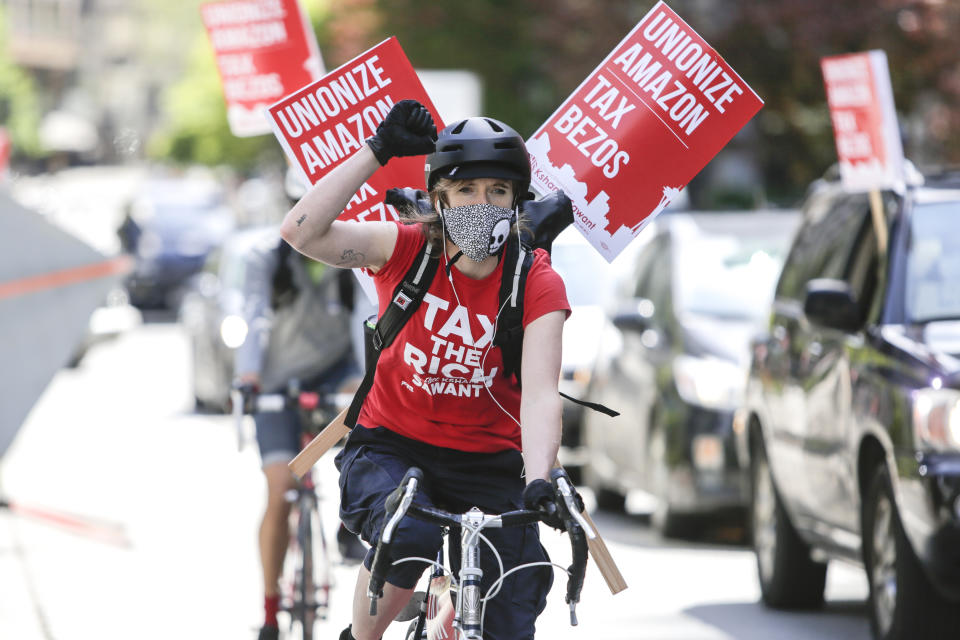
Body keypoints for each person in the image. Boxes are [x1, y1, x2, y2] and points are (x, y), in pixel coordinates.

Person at [279, 99, 572, 640]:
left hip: (491, 463)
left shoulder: (537, 280)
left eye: (498, 191)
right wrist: (378, 150)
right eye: (466, 190)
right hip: (393, 445)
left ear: (516, 202)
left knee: (520, 585)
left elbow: (539, 394)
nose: (482, 204)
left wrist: (538, 480)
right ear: (439, 197)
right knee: (405, 529)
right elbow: (300, 232)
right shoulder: (406, 249)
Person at [233, 228, 369, 640]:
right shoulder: (268, 257)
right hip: (276, 383)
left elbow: (367, 311)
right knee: (280, 490)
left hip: (336, 374)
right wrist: (248, 376)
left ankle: (349, 528)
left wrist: (369, 380)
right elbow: (254, 313)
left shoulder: (354, 248)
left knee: (372, 438)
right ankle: (271, 608)